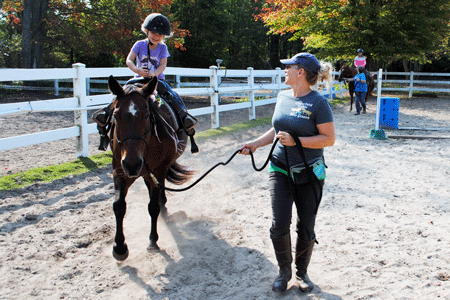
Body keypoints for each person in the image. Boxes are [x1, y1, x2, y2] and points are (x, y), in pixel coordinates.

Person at [239, 53, 335, 293]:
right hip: (279, 168)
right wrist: (254, 144)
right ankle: (284, 271)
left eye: (288, 67)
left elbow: (329, 139)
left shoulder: (319, 103)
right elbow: (277, 129)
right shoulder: (283, 97)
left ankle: (302, 273)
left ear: (300, 72)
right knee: (279, 224)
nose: (284, 71)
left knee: (306, 226)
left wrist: (297, 141)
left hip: (309, 173)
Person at [92, 13, 197, 150]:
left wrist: (154, 73)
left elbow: (163, 65)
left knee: (170, 94)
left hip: (156, 80)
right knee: (122, 94)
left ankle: (183, 116)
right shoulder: (139, 44)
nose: (156, 36)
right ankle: (106, 113)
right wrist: (137, 70)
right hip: (138, 78)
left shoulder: (163, 48)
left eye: (160, 34)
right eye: (154, 32)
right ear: (146, 30)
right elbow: (129, 60)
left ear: (163, 36)